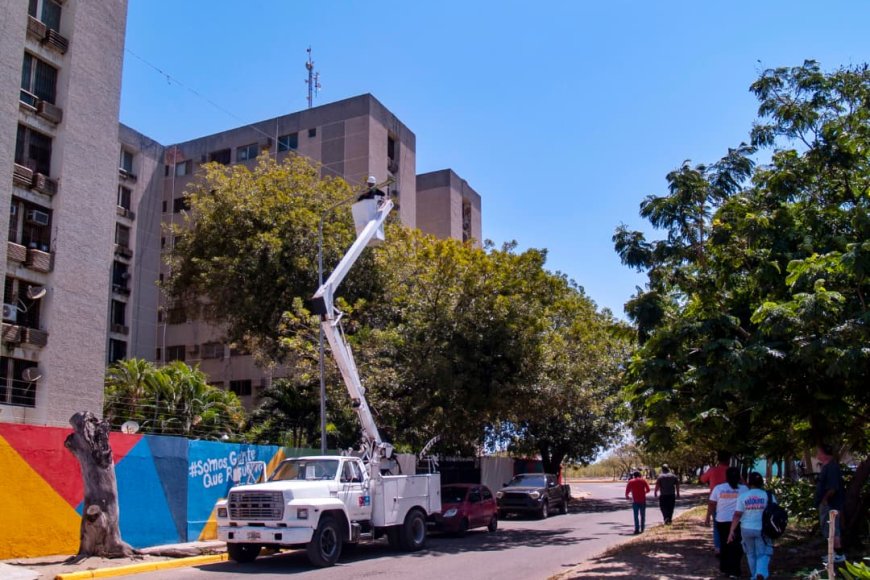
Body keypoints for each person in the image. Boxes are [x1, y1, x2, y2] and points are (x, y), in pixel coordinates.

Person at [729, 472, 774, 580]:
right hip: (763, 529)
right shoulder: (769, 496)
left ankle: (754, 575)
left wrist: (731, 530)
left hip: (746, 528)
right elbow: (775, 512)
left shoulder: (743, 496)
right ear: (762, 483)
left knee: (750, 553)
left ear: (749, 483)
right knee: (764, 553)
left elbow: (737, 515)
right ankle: (760, 573)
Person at [708, 466, 747, 577]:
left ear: (726, 476)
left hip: (722, 520)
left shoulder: (719, 488)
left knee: (724, 544)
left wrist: (708, 517)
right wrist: (742, 480)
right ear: (738, 476)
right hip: (738, 521)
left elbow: (711, 503)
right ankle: (734, 570)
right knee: (736, 545)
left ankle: (725, 568)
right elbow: (750, 492)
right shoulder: (743, 489)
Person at [816, 443, 845, 563]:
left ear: (824, 454)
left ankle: (839, 554)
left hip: (831, 505)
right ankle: (831, 553)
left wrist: (825, 500)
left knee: (833, 528)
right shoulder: (826, 467)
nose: (817, 455)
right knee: (827, 529)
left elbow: (832, 487)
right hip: (827, 504)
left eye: (819, 452)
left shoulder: (832, 467)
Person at [701, 451, 731, 555]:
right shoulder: (732, 471)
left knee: (717, 525)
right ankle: (729, 545)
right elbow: (744, 484)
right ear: (729, 459)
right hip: (732, 500)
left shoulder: (712, 470)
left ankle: (718, 547)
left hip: (715, 500)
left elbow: (702, 479)